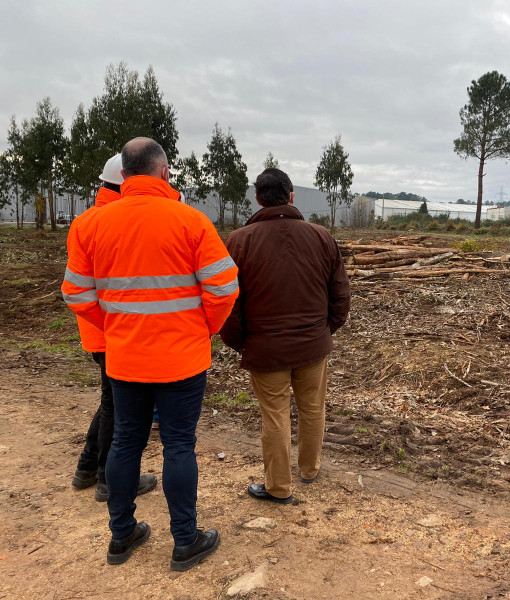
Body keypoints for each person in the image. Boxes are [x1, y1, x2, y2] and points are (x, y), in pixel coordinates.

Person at [61, 137, 238, 571]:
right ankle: (185, 541)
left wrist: (116, 327)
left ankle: (122, 536)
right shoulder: (191, 221)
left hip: (125, 357)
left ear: (123, 175)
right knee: (179, 445)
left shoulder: (90, 225)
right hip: (183, 359)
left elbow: (76, 293)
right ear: (164, 173)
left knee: (125, 440)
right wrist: (204, 329)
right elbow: (224, 286)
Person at [220, 168, 350, 504]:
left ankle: (279, 487)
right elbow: (341, 297)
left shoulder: (236, 242)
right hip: (312, 345)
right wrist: (322, 331)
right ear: (291, 196)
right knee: (312, 408)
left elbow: (228, 304)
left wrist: (241, 341)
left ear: (258, 198)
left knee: (274, 415)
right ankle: (309, 469)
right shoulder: (323, 237)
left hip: (266, 349)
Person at [70, 154, 157, 502]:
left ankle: (88, 467)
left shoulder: (87, 221)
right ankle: (111, 479)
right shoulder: (114, 220)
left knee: (110, 400)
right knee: (118, 407)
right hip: (114, 333)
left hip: (97, 329)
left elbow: (79, 288)